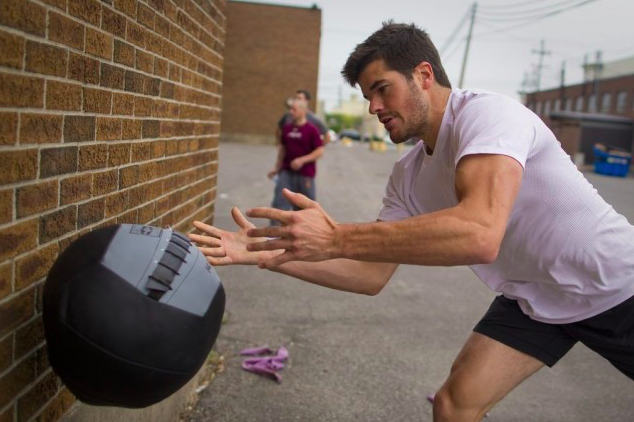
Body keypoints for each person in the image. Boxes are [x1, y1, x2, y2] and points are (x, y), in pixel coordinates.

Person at [189, 21, 634, 421]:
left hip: (615, 283)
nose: (373, 108)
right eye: (367, 97)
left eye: (382, 89)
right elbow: (369, 274)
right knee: (453, 405)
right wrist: (266, 252)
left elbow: (480, 233)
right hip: (537, 297)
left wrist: (338, 237)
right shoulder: (407, 175)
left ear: (424, 75)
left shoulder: (488, 116)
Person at [267, 98, 324, 225]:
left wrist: (302, 160)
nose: (290, 112)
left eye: (294, 109)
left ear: (304, 111)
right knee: (279, 203)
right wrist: (276, 168)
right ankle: (273, 235)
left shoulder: (312, 130)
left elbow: (320, 151)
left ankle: (306, 234)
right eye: (290, 109)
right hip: (286, 172)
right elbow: (282, 149)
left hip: (305, 175)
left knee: (305, 208)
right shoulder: (287, 128)